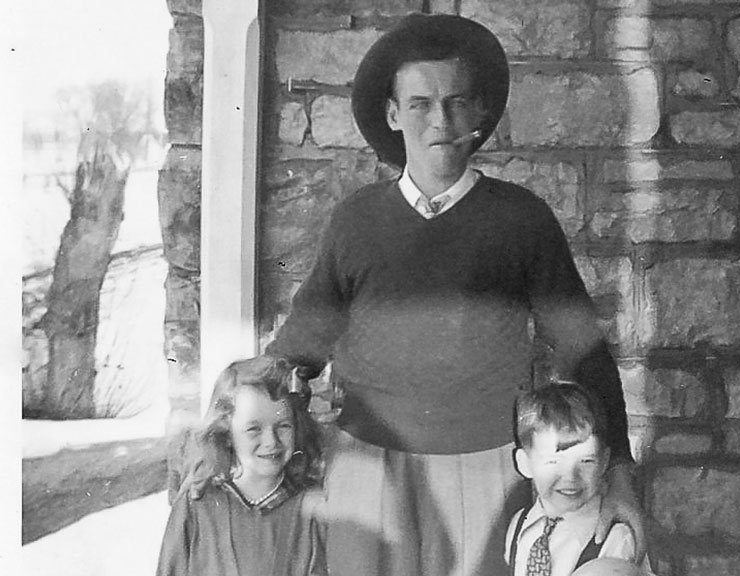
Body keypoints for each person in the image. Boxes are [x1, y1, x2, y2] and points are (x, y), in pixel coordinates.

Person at [264, 12, 643, 576]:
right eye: (419, 104)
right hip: (369, 475)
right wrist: (237, 420)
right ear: (393, 114)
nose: (439, 120)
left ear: (480, 113)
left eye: (457, 102)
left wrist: (621, 474)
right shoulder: (355, 222)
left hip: (488, 478)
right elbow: (297, 350)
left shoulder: (522, 219)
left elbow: (584, 353)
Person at [157, 357, 327, 576]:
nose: (271, 442)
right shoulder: (197, 504)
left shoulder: (311, 510)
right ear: (226, 433)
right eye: (253, 429)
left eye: (283, 426)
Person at [505, 384, 653, 576]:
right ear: (525, 464)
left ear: (604, 461)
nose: (570, 477)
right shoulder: (520, 526)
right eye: (553, 462)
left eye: (586, 461)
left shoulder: (616, 539)